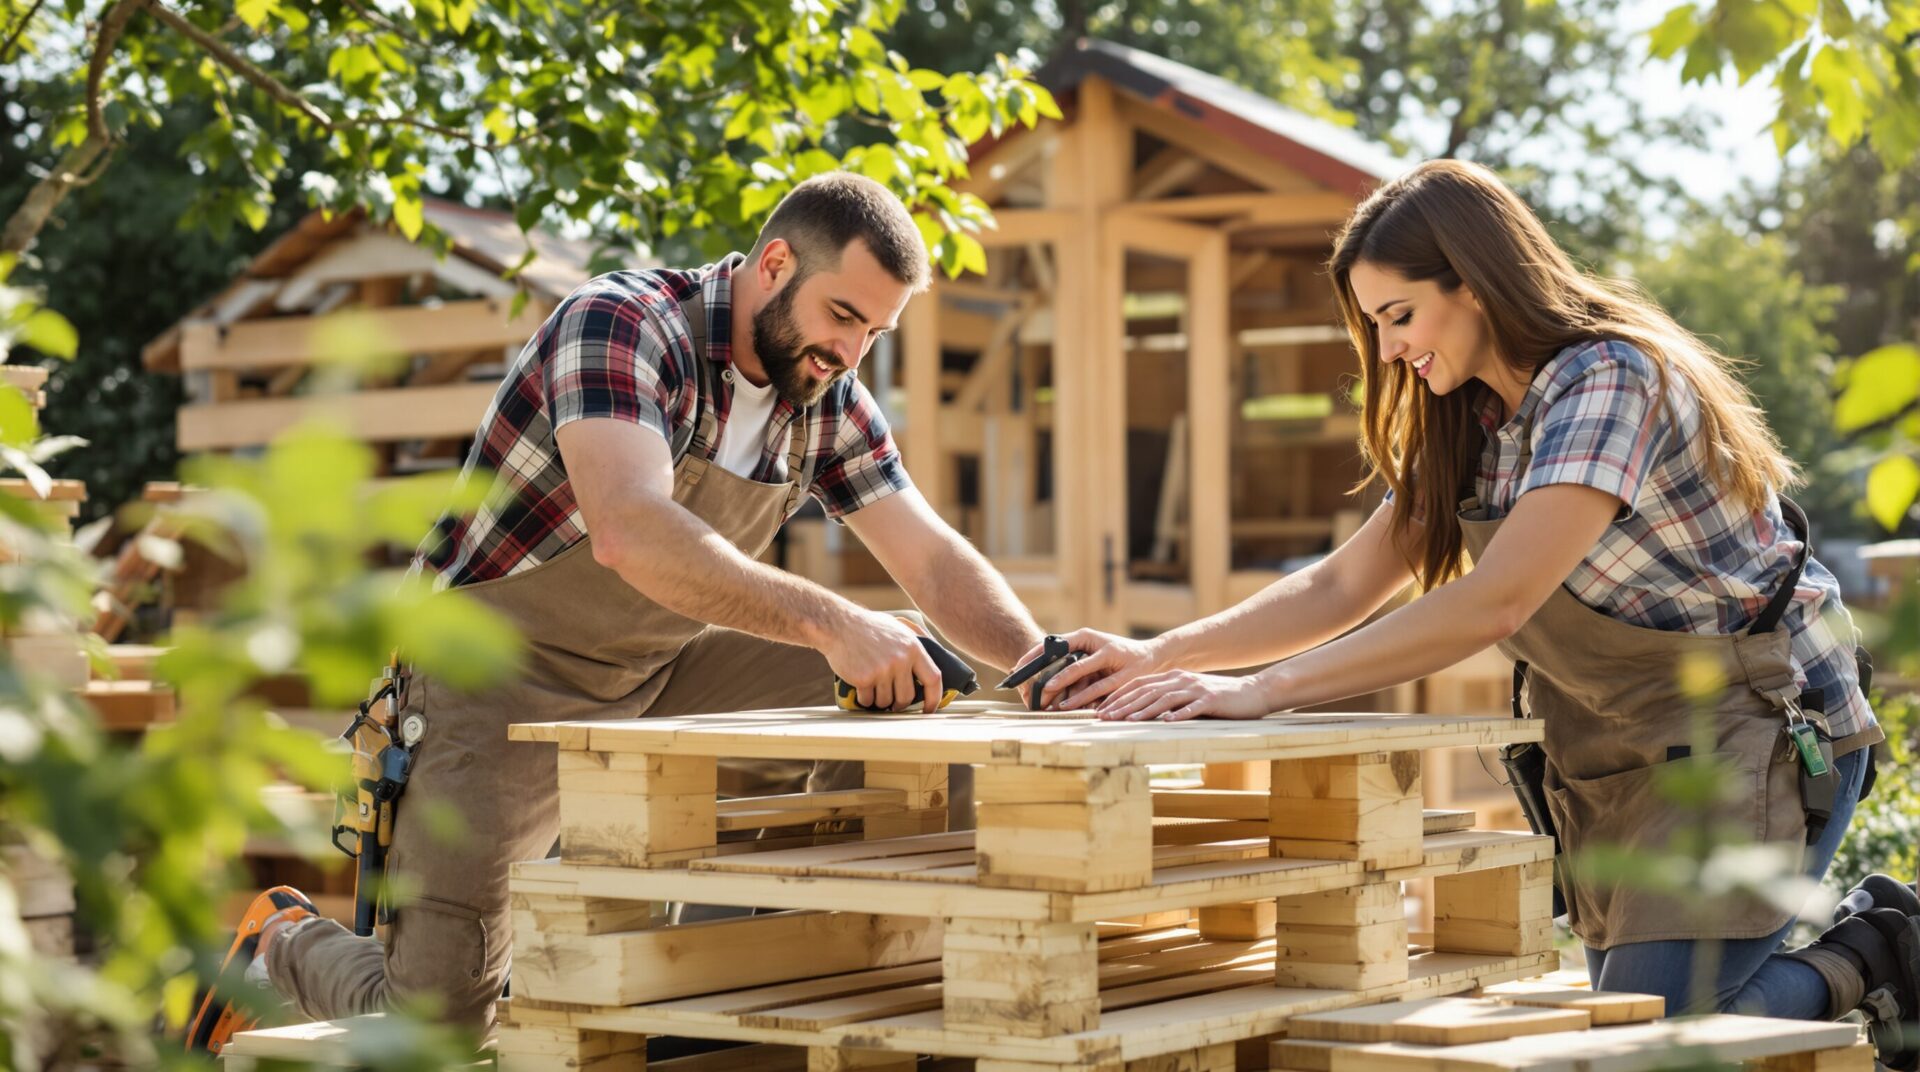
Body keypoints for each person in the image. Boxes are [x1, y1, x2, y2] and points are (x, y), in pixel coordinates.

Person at [1019, 159, 1916, 1059]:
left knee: (1647, 1046)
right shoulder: (1477, 420)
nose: (1386, 351)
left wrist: (1260, 691)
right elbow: (1341, 586)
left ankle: (1876, 949)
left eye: (1399, 316)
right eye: (1372, 326)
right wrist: (1159, 654)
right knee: (1627, 1029)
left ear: (1478, 283)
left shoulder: (1610, 380)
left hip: (1756, 733)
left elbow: (1498, 600)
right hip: (1620, 747)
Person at [191, 172, 1043, 1044]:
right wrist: (833, 623)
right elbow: (630, 531)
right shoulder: (623, 325)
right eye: (843, 316)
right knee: (440, 1032)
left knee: (919, 675)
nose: (852, 352)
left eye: (875, 331)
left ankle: (779, 977)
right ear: (776, 263)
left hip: (661, 668)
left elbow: (932, 560)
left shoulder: (824, 400)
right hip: (492, 684)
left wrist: (1047, 667)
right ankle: (283, 943)